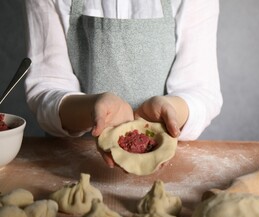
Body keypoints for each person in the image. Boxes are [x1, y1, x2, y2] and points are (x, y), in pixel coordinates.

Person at [24, 0, 223, 167]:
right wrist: (91, 110)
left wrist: (170, 110)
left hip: (163, 161)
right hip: (73, 161)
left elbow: (201, 91)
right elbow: (46, 86)